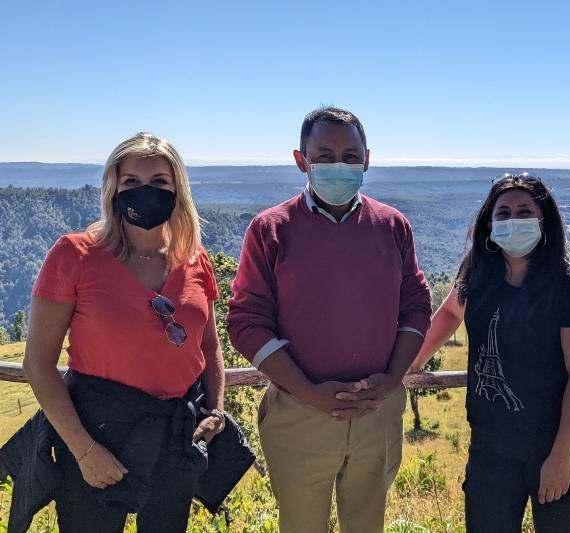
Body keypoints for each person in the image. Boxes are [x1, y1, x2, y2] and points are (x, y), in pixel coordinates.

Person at [227, 106, 432, 533]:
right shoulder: (270, 230)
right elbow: (247, 321)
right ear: (301, 160)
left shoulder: (393, 226)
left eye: (350, 156)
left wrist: (392, 379)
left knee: (367, 524)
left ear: (367, 160)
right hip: (300, 415)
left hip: (379, 410)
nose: (339, 166)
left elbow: (416, 303)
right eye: (324, 156)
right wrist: (309, 393)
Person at [16, 132, 229, 532]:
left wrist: (215, 411)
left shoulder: (195, 259)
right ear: (113, 188)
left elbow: (208, 343)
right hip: (98, 429)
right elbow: (39, 363)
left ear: (178, 189)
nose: (145, 192)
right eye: (132, 182)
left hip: (175, 434)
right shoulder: (74, 255)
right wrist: (83, 451)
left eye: (160, 183)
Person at [410, 174, 570, 533]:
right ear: (489, 222)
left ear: (544, 220)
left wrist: (561, 456)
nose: (514, 220)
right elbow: (452, 312)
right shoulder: (478, 271)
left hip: (557, 440)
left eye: (525, 211)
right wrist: (412, 363)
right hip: (491, 445)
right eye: (504, 213)